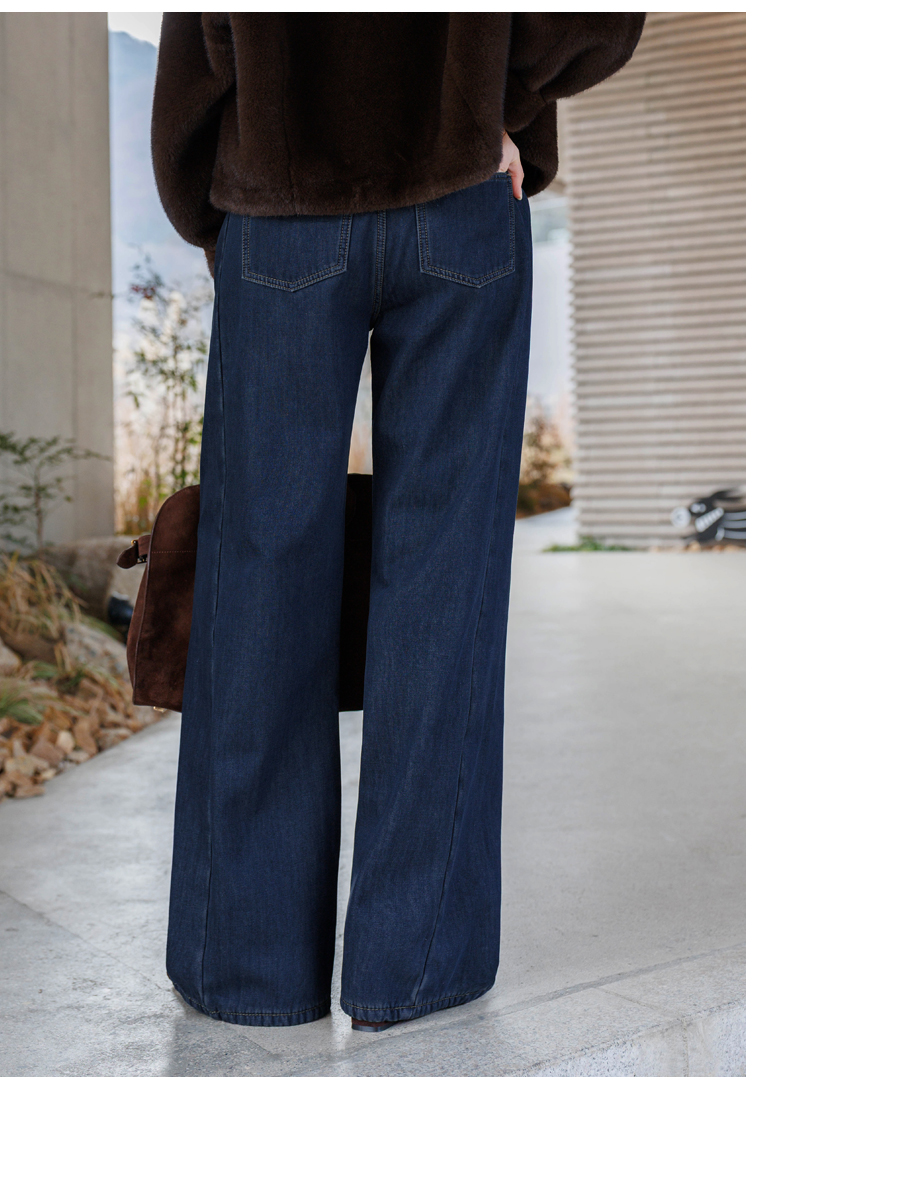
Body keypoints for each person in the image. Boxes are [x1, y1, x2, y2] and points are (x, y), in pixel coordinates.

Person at [151, 12, 644, 1032]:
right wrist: (493, 107)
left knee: (257, 584)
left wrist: (216, 201)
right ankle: (414, 964)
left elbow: (202, 41)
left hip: (282, 203)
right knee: (445, 582)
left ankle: (244, 967)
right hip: (463, 197)